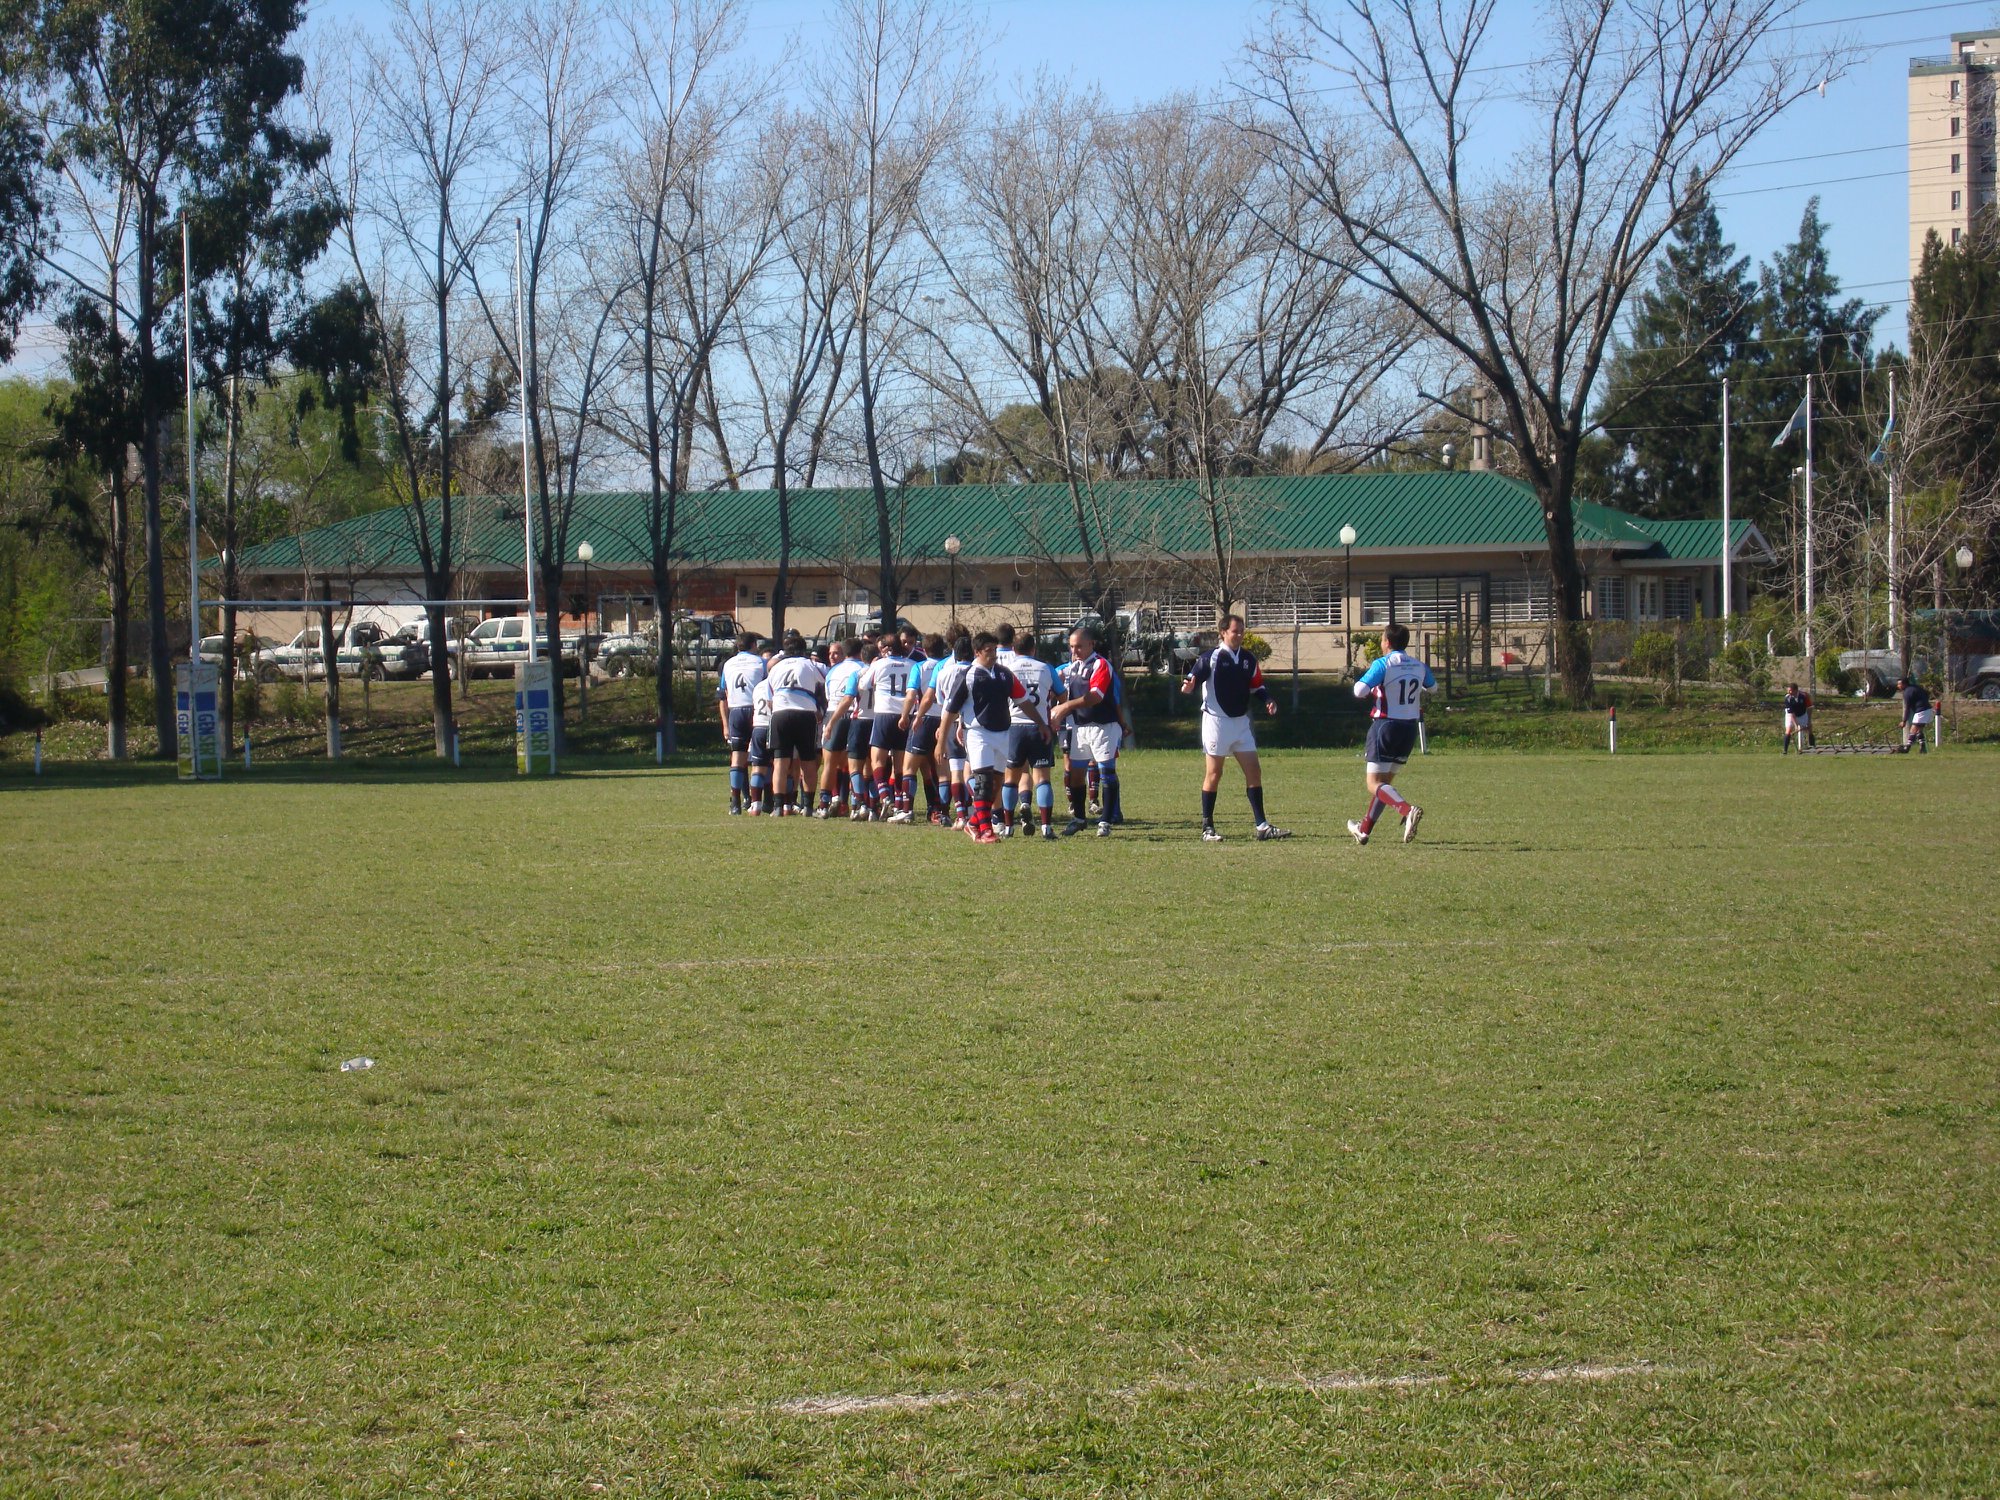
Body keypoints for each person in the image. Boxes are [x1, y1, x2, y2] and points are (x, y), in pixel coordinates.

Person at [1181, 614, 1289, 842]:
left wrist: (1268, 699)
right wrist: (1189, 685)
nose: (1239, 635)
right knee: (1214, 773)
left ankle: (1262, 826)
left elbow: (1257, 686)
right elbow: (1192, 678)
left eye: (1241, 631)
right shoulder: (1211, 657)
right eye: (1234, 631)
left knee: (1254, 771)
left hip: (1241, 723)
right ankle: (1207, 827)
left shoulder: (1248, 659)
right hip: (1216, 722)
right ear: (1223, 632)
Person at [938, 631, 1046, 844]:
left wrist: (1041, 723)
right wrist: (941, 741)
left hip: (1003, 733)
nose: (994, 655)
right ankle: (986, 831)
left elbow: (1023, 700)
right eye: (988, 651)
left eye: (995, 650)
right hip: (978, 733)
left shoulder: (1005, 674)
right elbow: (950, 710)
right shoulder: (967, 676)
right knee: (983, 783)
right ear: (977, 652)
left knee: (996, 786)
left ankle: (973, 823)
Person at [1346, 622, 1434, 845]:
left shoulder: (1383, 664)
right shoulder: (1418, 665)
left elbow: (1359, 690)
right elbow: (1433, 688)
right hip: (1409, 728)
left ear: (1387, 642)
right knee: (1385, 784)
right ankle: (1364, 830)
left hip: (1385, 726)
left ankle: (1407, 810)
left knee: (1374, 783)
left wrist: (1376, 688)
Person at [1052, 624, 1123, 837]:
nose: (1074, 651)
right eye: (1071, 647)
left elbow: (1095, 697)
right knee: (1075, 775)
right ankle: (1080, 819)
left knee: (1106, 772)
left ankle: (1106, 821)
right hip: (1080, 728)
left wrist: (1065, 707)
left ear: (1092, 644)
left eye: (1079, 647)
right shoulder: (1072, 668)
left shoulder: (1101, 665)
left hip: (1102, 727)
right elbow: (1057, 689)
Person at [1004, 633, 1061, 839]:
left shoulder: (1007, 670)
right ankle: (1046, 827)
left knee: (1010, 779)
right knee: (1042, 779)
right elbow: (1062, 694)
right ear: (1033, 649)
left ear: (1013, 650)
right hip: (1040, 727)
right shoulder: (1046, 668)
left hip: (1014, 727)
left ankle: (1008, 827)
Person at [765, 633, 827, 815]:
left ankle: (778, 806)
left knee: (780, 762)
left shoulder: (775, 667)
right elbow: (826, 678)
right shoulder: (809, 664)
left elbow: (769, 698)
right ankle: (807, 806)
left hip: (780, 713)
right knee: (808, 760)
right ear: (803, 650)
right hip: (804, 713)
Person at [862, 629, 915, 820]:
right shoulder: (912, 665)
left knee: (877, 760)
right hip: (904, 715)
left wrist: (874, 667)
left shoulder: (880, 664)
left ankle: (884, 796)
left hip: (884, 714)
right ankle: (900, 805)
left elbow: (863, 685)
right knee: (900, 765)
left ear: (884, 648)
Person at [901, 634, 951, 824]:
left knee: (909, 767)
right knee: (939, 767)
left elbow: (912, 695)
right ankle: (940, 810)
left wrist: (906, 716)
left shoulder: (919, 667)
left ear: (925, 649)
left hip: (925, 718)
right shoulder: (949, 666)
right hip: (946, 719)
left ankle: (906, 810)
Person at [716, 631, 766, 814]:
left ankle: (735, 802)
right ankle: (756, 801)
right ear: (753, 645)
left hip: (736, 711)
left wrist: (726, 723)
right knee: (759, 757)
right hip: (756, 710)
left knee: (737, 757)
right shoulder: (760, 662)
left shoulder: (727, 664)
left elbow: (724, 693)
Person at [933, 635, 975, 826]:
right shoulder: (977, 671)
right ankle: (976, 809)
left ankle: (961, 816)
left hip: (951, 723)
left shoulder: (944, 672)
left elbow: (942, 701)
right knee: (974, 771)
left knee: (956, 771)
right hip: (973, 724)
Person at [816, 638, 861, 817]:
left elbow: (828, 695)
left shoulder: (832, 671)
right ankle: (854, 803)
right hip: (855, 714)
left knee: (830, 763)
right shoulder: (863, 668)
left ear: (844, 653)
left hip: (834, 713)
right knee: (854, 763)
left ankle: (824, 805)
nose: (833, 656)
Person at [745, 645, 776, 814]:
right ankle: (779, 803)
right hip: (774, 727)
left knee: (758, 766)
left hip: (758, 727)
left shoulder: (758, 687)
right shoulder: (778, 685)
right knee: (777, 765)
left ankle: (755, 803)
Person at [1898, 674, 1934, 753]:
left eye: (1900, 684)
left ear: (1904, 684)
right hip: (1928, 709)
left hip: (1921, 711)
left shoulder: (1907, 692)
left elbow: (1907, 708)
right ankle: (1923, 748)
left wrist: (1904, 721)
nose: (1898, 686)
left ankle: (1907, 748)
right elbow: (1927, 694)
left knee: (1913, 729)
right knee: (1919, 730)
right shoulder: (1916, 687)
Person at [1782, 682, 1815, 753]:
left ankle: (1812, 746)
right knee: (1788, 730)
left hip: (1803, 714)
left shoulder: (1804, 696)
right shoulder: (1788, 698)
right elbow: (1792, 714)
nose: (1789, 692)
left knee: (1809, 728)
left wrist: (1809, 720)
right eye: (1788, 690)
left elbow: (1809, 708)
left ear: (1796, 690)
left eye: (1790, 690)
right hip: (1790, 715)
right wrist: (1796, 725)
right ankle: (1785, 750)